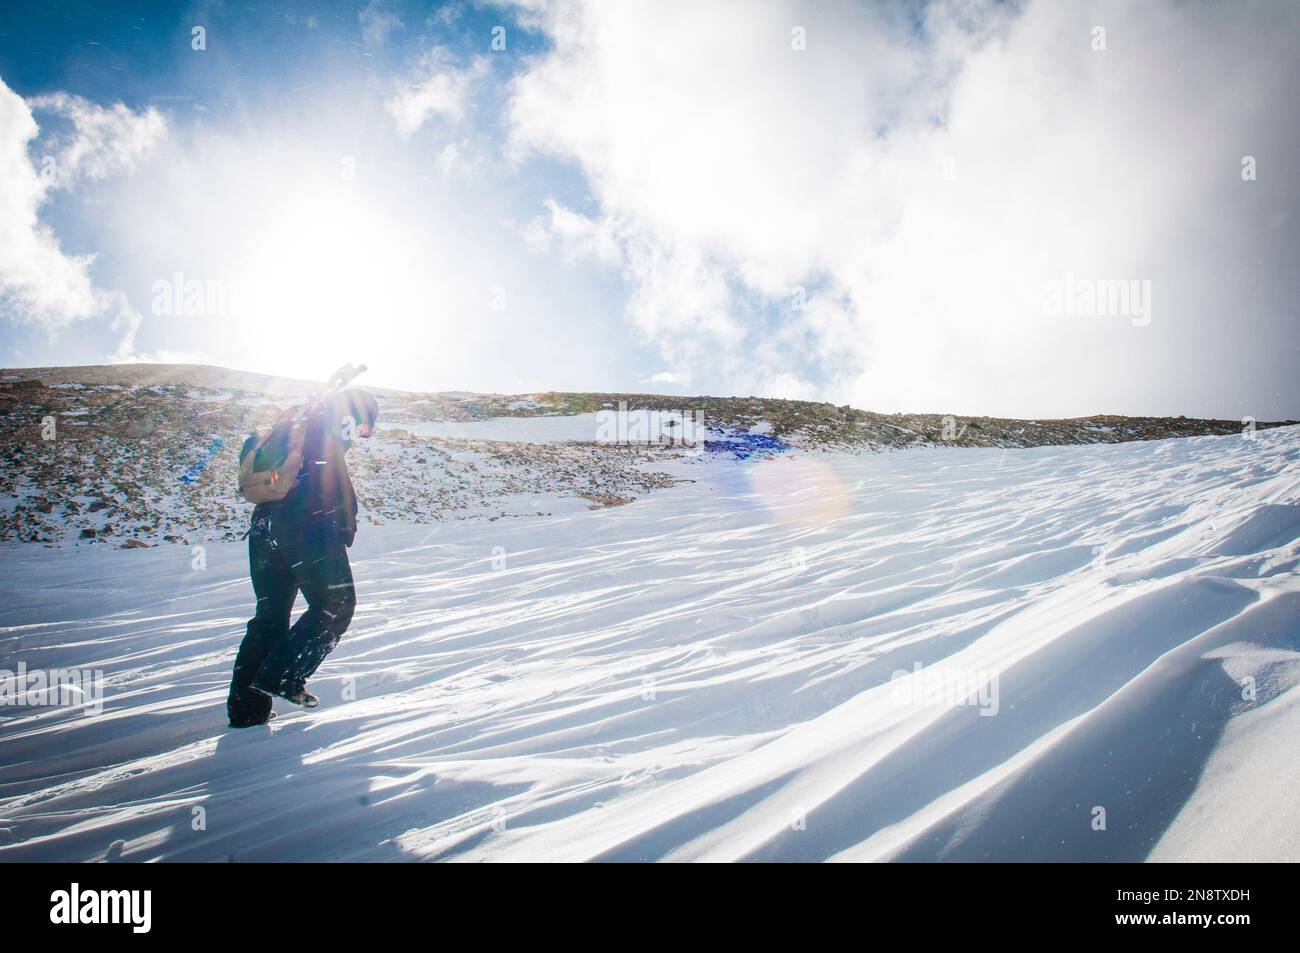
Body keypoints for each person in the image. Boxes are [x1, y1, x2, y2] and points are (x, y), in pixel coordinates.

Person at [226, 387, 379, 727]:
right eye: (365, 427)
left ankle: (246, 713)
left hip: (265, 526)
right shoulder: (332, 420)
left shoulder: (295, 424)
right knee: (336, 602)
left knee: (269, 617)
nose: (361, 436)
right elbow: (329, 468)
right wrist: (343, 521)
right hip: (305, 525)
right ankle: (284, 674)